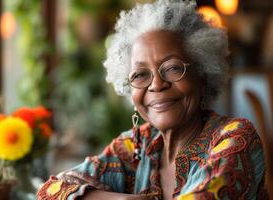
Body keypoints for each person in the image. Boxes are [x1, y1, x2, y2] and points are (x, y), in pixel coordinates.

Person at [37, 0, 268, 199]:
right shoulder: (136, 146)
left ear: (203, 75)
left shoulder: (236, 138)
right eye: (140, 75)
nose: (156, 84)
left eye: (173, 68)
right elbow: (50, 191)